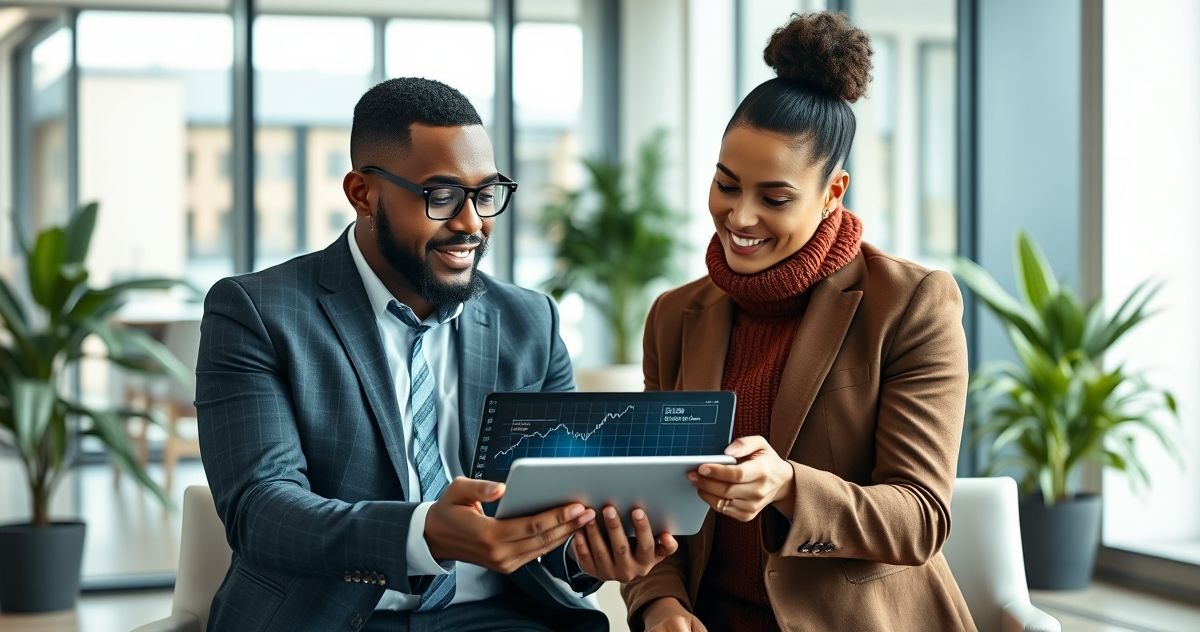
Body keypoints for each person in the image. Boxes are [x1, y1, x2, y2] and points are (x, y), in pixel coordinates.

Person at [196, 77, 669, 632]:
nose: (471, 223)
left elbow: (555, 503)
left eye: (485, 194)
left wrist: (586, 549)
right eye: (441, 196)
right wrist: (421, 534)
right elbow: (262, 510)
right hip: (333, 616)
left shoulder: (529, 321)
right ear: (362, 194)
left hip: (498, 615)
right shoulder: (256, 312)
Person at [621, 12, 977, 632]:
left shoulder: (912, 303)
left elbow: (920, 518)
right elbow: (656, 510)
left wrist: (788, 487)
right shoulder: (675, 315)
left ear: (834, 192)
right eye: (726, 185)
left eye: (775, 198)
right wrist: (660, 604)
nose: (740, 217)